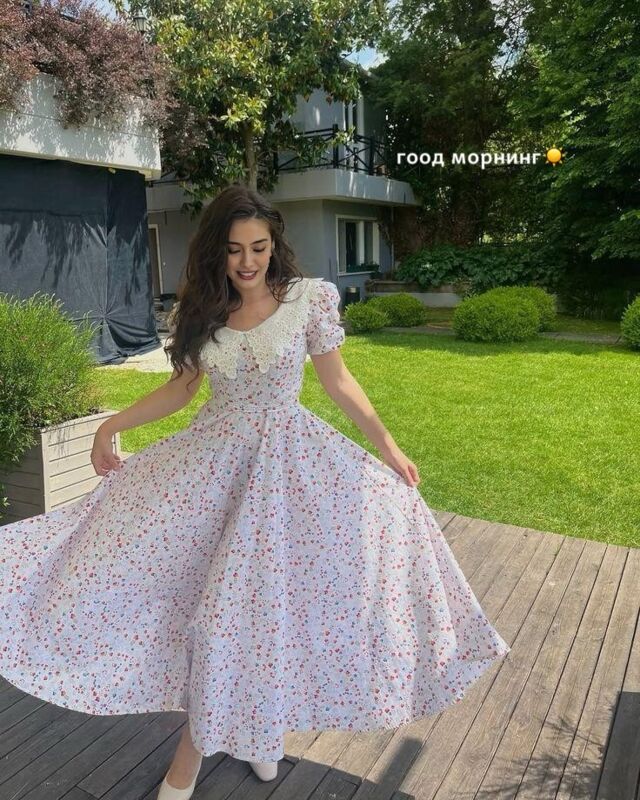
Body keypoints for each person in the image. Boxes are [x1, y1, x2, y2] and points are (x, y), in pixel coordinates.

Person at [0, 184, 511, 800]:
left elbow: (339, 382)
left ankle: (231, 747)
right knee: (213, 613)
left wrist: (388, 446)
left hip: (289, 475)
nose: (248, 261)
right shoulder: (201, 312)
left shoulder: (308, 300)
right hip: (212, 470)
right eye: (235, 249)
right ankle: (246, 741)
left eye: (259, 247)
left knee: (259, 616)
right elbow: (182, 390)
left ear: (274, 245)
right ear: (216, 251)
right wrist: (112, 425)